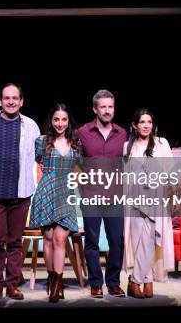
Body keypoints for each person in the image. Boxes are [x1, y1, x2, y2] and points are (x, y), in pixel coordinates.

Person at [0, 83, 40, 300]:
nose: (11, 101)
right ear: (0, 101)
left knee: (15, 240)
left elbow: (39, 155)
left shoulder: (31, 125)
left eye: (15, 98)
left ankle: (12, 284)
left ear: (21, 101)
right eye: (7, 98)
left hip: (21, 192)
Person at [76, 89, 127, 298]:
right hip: (91, 196)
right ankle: (95, 283)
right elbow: (76, 163)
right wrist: (83, 186)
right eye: (103, 107)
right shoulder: (82, 132)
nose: (107, 111)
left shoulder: (122, 133)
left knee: (117, 240)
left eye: (110, 107)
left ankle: (113, 282)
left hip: (115, 195)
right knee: (92, 241)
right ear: (95, 109)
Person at [29, 103, 81, 302]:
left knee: (60, 239)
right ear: (51, 121)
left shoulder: (76, 142)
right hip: (46, 192)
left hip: (65, 193)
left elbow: (78, 169)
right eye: (56, 119)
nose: (60, 123)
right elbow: (38, 168)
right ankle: (52, 281)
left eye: (64, 119)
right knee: (49, 239)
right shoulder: (42, 141)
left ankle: (58, 285)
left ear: (69, 121)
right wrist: (39, 188)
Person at [122, 108, 175, 298]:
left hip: (156, 198)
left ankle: (136, 279)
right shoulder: (128, 146)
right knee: (139, 241)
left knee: (150, 239)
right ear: (134, 125)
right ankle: (147, 279)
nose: (146, 126)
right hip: (135, 199)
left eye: (149, 122)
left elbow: (170, 173)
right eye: (142, 122)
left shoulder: (162, 144)